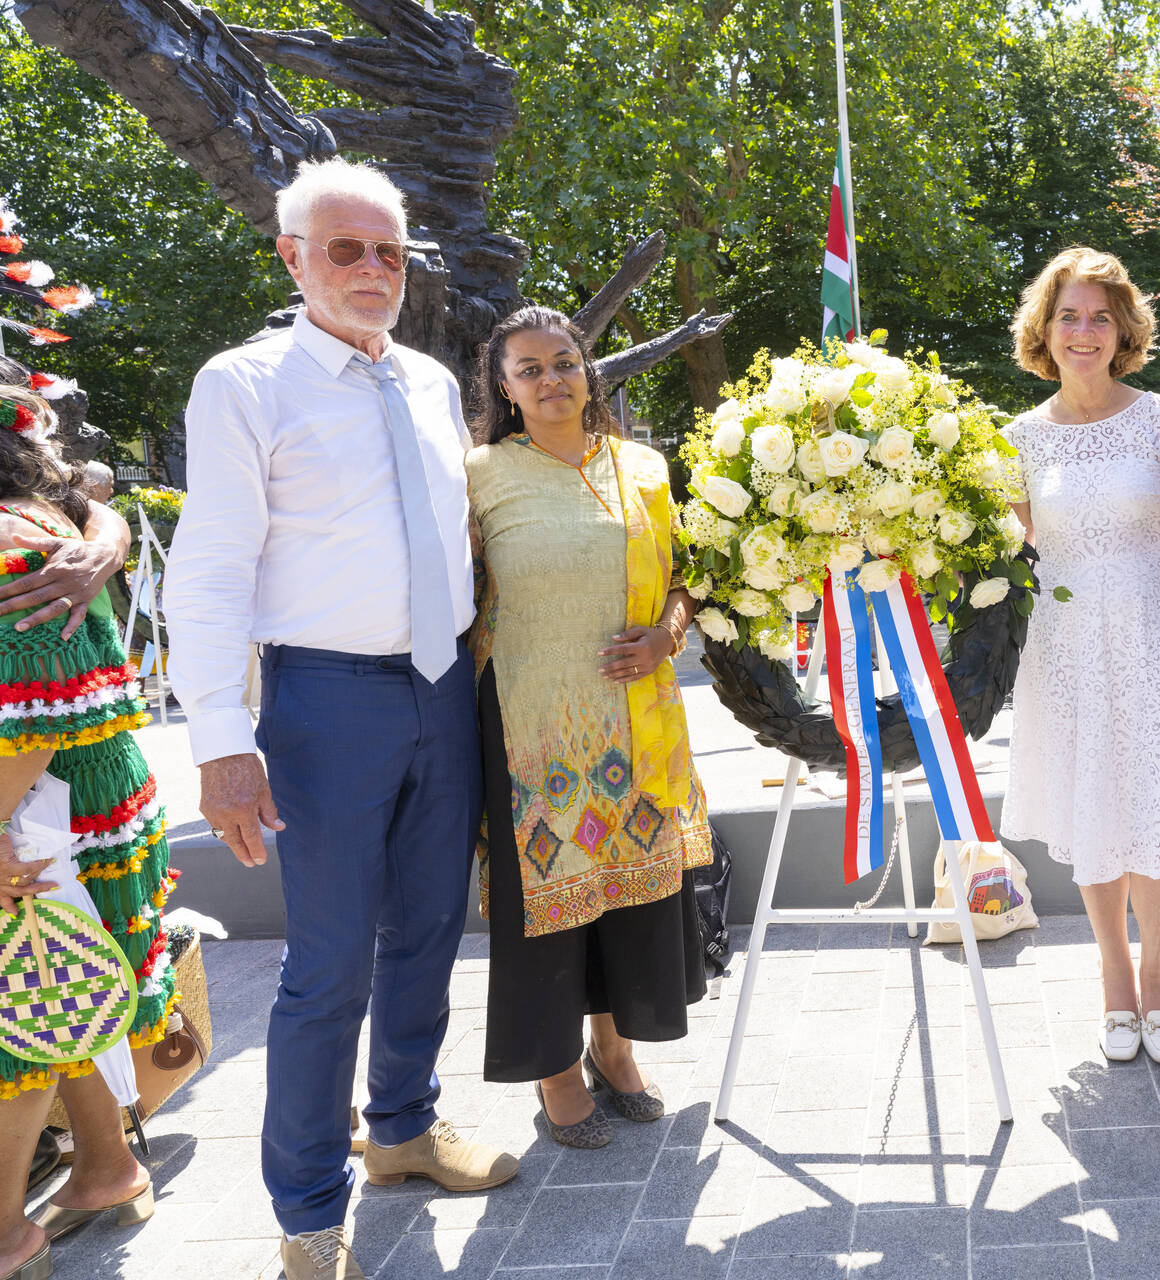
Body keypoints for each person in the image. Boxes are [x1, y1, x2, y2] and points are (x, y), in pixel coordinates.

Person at [166, 158, 515, 1280]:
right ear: (292, 257)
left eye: (390, 252)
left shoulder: (426, 379)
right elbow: (212, 565)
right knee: (328, 965)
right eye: (346, 249)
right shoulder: (244, 382)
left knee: (427, 929)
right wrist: (219, 736)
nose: (373, 271)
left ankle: (402, 1124)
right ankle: (310, 1211)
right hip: (322, 703)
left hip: (438, 688)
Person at [464, 307, 711, 1147]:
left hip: (637, 722)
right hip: (531, 730)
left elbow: (685, 579)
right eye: (528, 369)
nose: (551, 380)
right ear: (503, 387)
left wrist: (668, 635)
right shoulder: (480, 474)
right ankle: (555, 1072)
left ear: (588, 370)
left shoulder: (642, 465)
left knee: (630, 899)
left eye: (564, 362)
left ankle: (614, 1048)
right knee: (548, 906)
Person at [1000, 248, 1160, 1066]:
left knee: (1156, 806)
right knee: (1095, 806)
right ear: (1044, 331)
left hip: (1158, 638)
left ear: (1122, 329)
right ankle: (1113, 982)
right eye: (1068, 316)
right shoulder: (1017, 439)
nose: (1084, 333)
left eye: (1099, 317)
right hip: (1065, 653)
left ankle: (1158, 981)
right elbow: (1016, 556)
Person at [0, 374, 163, 1280]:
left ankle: (9, 1235)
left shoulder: (10, 533)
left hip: (36, 799)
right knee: (51, 980)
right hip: (69, 792)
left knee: (21, 1003)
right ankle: (104, 1166)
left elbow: (34, 703)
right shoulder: (36, 512)